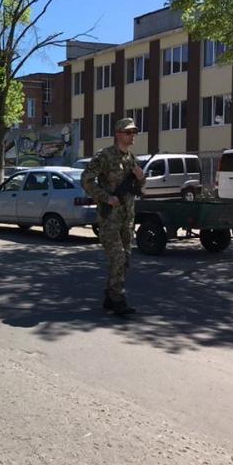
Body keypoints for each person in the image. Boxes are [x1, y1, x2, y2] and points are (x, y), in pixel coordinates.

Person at [80, 118, 146, 316]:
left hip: (127, 218)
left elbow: (139, 190)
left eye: (134, 132)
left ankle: (110, 296)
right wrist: (106, 198)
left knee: (125, 259)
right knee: (117, 257)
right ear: (117, 134)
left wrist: (141, 179)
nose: (132, 135)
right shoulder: (104, 156)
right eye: (128, 132)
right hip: (109, 218)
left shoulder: (133, 160)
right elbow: (86, 180)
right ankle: (119, 299)